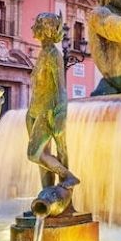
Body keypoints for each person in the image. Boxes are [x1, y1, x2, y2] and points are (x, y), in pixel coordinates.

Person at [27, 12, 79, 191]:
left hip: (46, 111)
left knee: (34, 154)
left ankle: (67, 176)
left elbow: (61, 88)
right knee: (42, 158)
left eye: (37, 24)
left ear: (46, 30)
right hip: (34, 111)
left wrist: (60, 115)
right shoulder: (43, 53)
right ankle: (47, 192)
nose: (33, 28)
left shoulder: (53, 54)